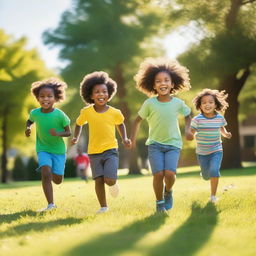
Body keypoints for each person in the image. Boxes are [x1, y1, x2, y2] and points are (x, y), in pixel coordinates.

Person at [130, 57, 192, 213]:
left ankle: (168, 191)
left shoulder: (178, 103)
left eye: (166, 80)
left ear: (172, 84)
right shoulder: (150, 103)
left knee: (169, 174)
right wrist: (131, 139)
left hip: (173, 144)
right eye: (158, 81)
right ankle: (159, 203)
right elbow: (137, 121)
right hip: (155, 145)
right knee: (158, 174)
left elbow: (188, 115)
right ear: (153, 85)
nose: (162, 83)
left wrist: (188, 130)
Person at [71, 71, 131, 214]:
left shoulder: (114, 112)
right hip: (93, 151)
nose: (101, 94)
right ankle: (103, 207)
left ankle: (113, 183)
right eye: (97, 92)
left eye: (104, 91)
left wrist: (125, 138)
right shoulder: (87, 112)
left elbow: (120, 124)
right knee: (98, 180)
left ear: (108, 94)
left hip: (110, 149)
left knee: (109, 179)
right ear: (91, 95)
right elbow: (79, 123)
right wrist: (76, 137)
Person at [25, 78, 71, 212]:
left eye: (49, 96)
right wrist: (28, 128)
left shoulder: (60, 115)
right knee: (45, 173)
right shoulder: (35, 113)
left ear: (56, 98)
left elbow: (68, 132)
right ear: (37, 98)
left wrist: (58, 133)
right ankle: (51, 204)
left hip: (58, 150)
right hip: (43, 148)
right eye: (42, 96)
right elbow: (29, 121)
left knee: (57, 180)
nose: (46, 99)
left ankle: (51, 173)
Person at [188, 88, 232, 203]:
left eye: (210, 102)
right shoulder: (197, 120)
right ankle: (204, 174)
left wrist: (226, 134)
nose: (207, 104)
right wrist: (190, 135)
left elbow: (222, 128)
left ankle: (213, 196)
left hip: (216, 149)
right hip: (202, 152)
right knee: (206, 176)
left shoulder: (219, 118)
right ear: (200, 105)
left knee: (214, 170)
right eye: (204, 102)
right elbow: (191, 133)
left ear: (215, 104)